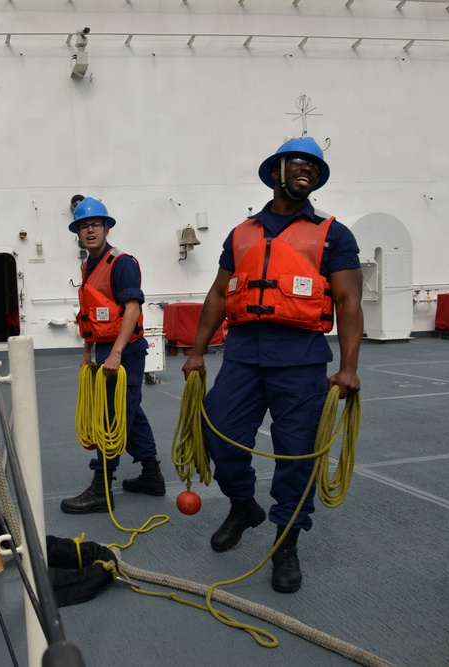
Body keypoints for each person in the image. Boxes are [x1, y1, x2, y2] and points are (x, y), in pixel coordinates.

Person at [181, 137, 362, 594]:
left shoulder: (333, 234)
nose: (309, 171)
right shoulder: (241, 234)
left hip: (300, 359)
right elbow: (220, 295)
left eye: (316, 168)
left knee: (297, 454)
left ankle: (286, 540)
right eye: (300, 163)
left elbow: (348, 301)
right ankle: (243, 505)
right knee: (217, 434)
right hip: (242, 353)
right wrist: (198, 352)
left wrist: (348, 368)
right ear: (276, 170)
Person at [60, 196, 164, 514]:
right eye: (83, 226)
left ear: (106, 227)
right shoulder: (89, 265)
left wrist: (116, 353)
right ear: (77, 232)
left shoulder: (122, 263)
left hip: (125, 351)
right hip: (104, 349)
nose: (90, 230)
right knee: (131, 415)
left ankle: (102, 487)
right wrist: (87, 352)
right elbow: (91, 314)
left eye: (95, 224)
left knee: (113, 417)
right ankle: (152, 476)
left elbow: (132, 309)